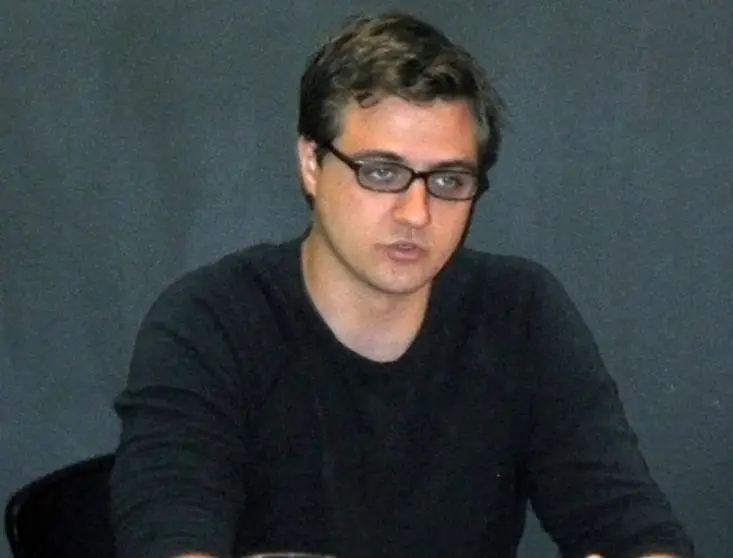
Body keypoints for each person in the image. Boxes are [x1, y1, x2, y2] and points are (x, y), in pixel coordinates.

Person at [110, 11, 695, 558]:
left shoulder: (519, 311)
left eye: (448, 180)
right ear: (312, 164)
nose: (416, 212)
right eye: (382, 172)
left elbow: (632, 526)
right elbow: (170, 532)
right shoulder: (211, 320)